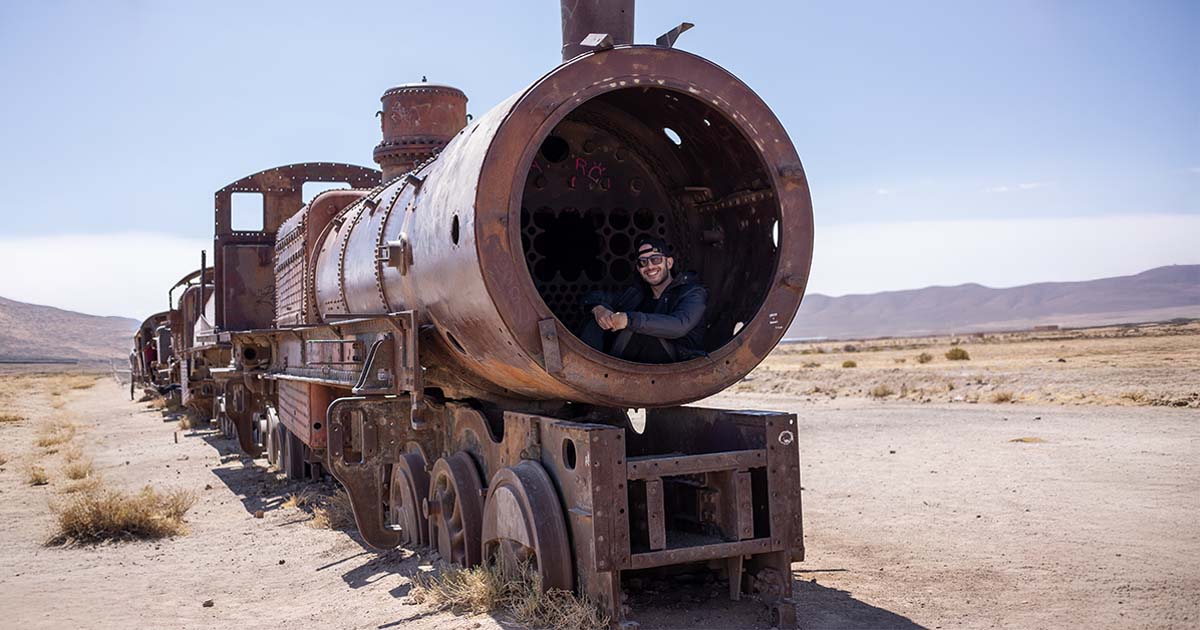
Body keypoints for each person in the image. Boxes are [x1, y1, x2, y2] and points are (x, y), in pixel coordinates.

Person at [579, 236, 707, 363]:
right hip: (632, 363)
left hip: (677, 365)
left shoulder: (692, 293)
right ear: (639, 269)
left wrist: (629, 320)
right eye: (643, 262)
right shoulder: (638, 294)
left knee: (641, 330)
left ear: (669, 263)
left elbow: (680, 325)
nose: (650, 266)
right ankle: (589, 368)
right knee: (597, 320)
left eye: (655, 259)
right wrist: (599, 309)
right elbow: (592, 297)